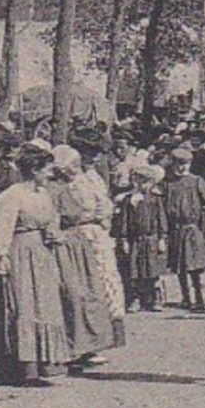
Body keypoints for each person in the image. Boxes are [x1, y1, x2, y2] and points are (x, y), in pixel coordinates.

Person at [0, 146, 71, 387]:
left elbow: (51, 220)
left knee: (44, 304)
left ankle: (45, 361)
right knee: (24, 305)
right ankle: (25, 368)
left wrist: (54, 234)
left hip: (41, 252)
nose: (51, 173)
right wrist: (1, 254)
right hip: (20, 251)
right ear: (33, 169)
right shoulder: (12, 195)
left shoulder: (43, 194)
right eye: (46, 168)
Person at [49, 145, 123, 369]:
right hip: (77, 237)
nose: (74, 168)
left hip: (93, 235)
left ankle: (96, 341)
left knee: (100, 286)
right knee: (79, 290)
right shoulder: (59, 187)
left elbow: (104, 205)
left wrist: (101, 218)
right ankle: (79, 346)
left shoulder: (91, 178)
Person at [114, 164, 167, 312]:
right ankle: (135, 299)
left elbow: (161, 219)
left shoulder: (155, 199)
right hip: (135, 240)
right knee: (134, 271)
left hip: (152, 239)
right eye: (136, 180)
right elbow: (124, 221)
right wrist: (124, 239)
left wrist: (162, 238)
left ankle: (154, 299)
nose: (140, 184)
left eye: (144, 181)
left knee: (152, 270)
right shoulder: (129, 199)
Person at [164, 147, 205, 311]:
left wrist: (199, 221)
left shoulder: (196, 181)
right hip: (176, 230)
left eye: (186, 164)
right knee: (180, 267)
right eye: (179, 164)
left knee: (195, 267)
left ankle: (199, 298)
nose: (183, 168)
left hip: (192, 229)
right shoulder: (169, 184)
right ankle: (185, 298)